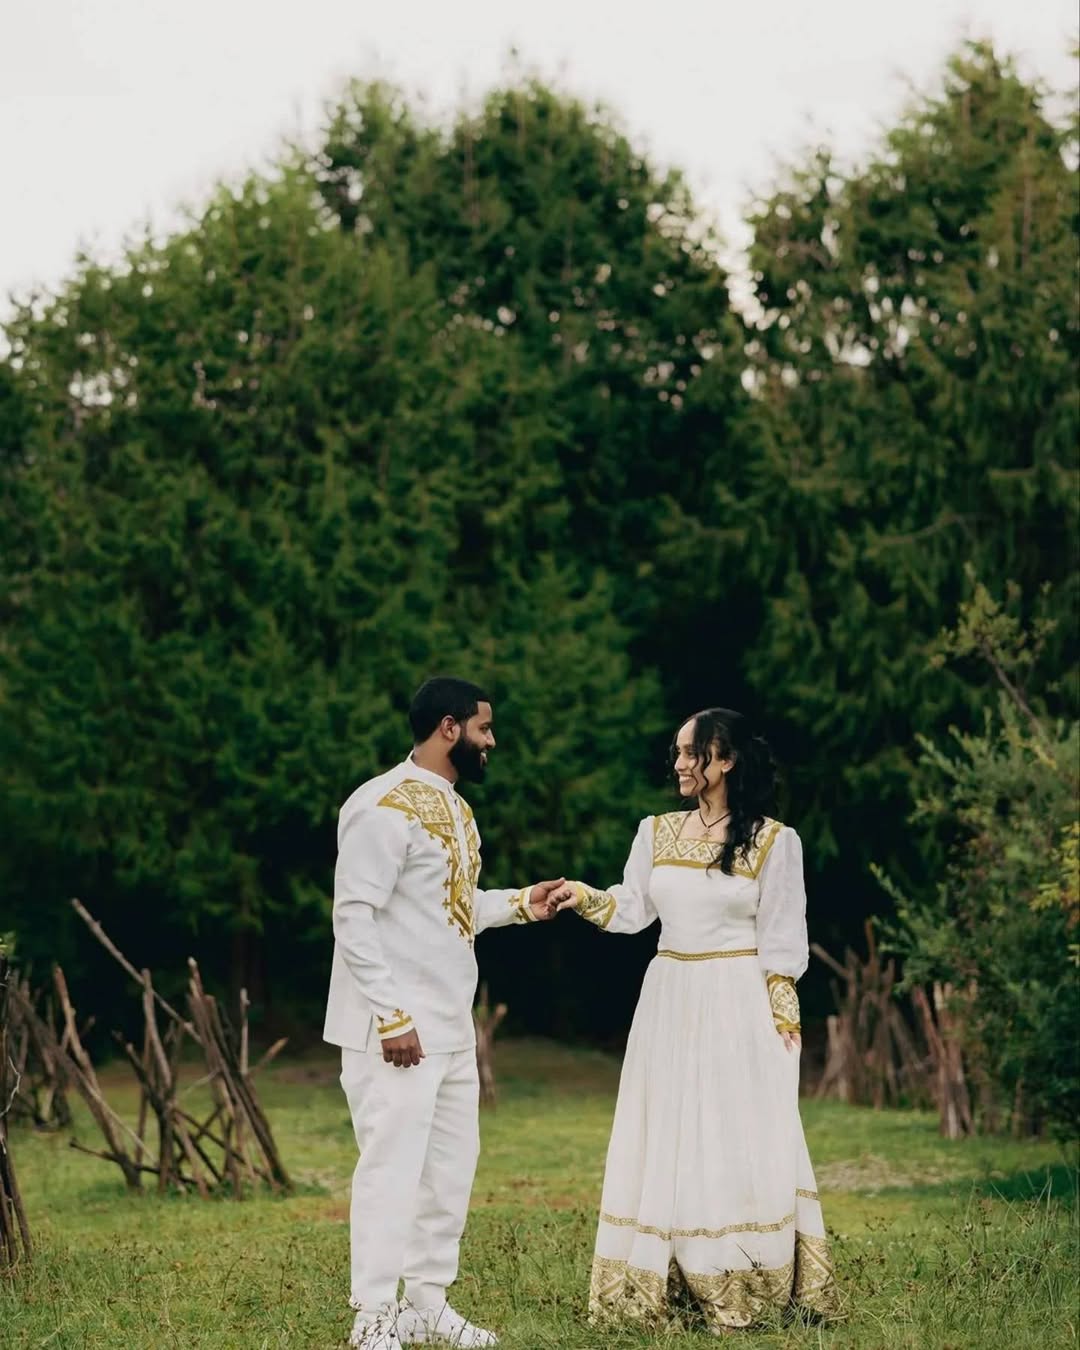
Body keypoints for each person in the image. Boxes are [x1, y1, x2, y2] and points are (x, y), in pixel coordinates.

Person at [556, 707, 840, 1333]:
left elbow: (784, 939)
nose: (680, 764)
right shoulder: (655, 831)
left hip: (738, 997)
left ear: (727, 759)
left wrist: (783, 1021)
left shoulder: (774, 841)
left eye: (692, 753)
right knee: (668, 1133)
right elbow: (633, 910)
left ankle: (745, 1279)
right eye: (678, 753)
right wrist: (582, 895)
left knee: (734, 1134)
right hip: (670, 995)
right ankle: (670, 1280)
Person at [323, 676, 565, 1350]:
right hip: (395, 1029)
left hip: (452, 1026)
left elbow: (454, 909)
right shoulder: (380, 805)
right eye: (485, 729)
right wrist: (392, 1017)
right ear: (450, 729)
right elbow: (354, 916)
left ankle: (425, 1305)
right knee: (391, 1166)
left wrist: (522, 903)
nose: (493, 742)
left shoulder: (456, 810)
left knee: (451, 1169)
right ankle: (372, 1316)